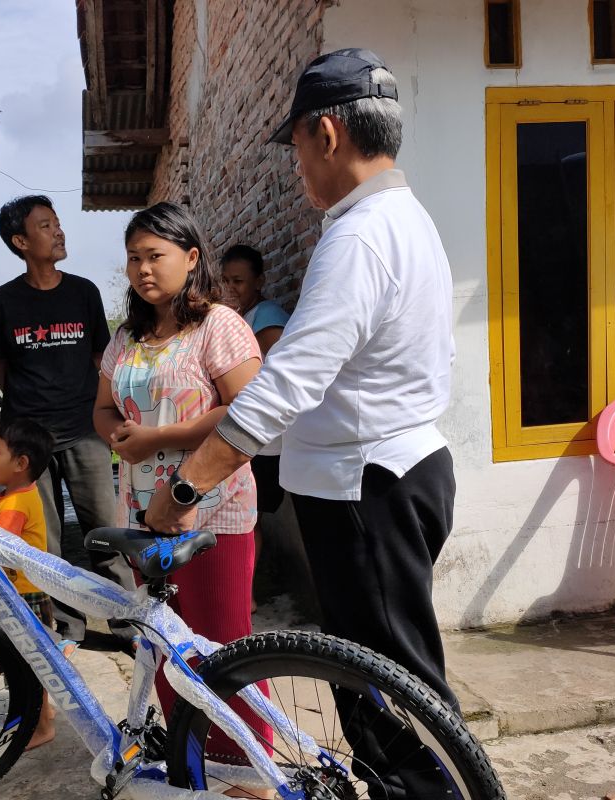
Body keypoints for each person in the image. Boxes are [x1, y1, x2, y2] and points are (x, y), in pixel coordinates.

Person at [146, 49, 458, 797]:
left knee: (390, 695)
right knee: (382, 678)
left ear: (325, 134)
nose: (296, 168)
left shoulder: (358, 237)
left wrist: (184, 492)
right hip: (391, 474)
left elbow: (285, 385)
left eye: (294, 148)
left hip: (366, 489)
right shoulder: (404, 220)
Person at [94, 202, 271, 767]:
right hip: (144, 512)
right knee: (164, 642)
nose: (144, 269)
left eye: (156, 256)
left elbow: (247, 406)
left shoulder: (218, 325)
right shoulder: (126, 337)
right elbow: (101, 407)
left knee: (223, 641)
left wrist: (158, 437)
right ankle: (190, 758)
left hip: (215, 508)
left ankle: (249, 767)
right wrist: (118, 436)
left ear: (191, 258)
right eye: (133, 259)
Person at [0, 195, 136, 645]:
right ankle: (67, 627)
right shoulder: (2, 302)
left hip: (84, 430)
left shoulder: (83, 292)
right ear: (20, 241)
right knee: (44, 543)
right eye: (45, 225)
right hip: (29, 441)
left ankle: (129, 622)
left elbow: (100, 360)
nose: (58, 231)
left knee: (106, 533)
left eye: (56, 223)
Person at [0, 417, 65, 749]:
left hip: (23, 598)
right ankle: (41, 713)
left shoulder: (15, 504)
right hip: (25, 594)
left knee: (28, 664)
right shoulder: (15, 494)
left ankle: (41, 725)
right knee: (30, 660)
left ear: (21, 463)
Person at [220, 245, 292, 605]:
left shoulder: (266, 315)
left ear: (260, 281)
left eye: (240, 281)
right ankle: (242, 593)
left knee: (248, 520)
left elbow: (274, 376)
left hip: (262, 440)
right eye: (227, 280)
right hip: (248, 436)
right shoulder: (244, 315)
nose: (232, 288)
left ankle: (244, 596)